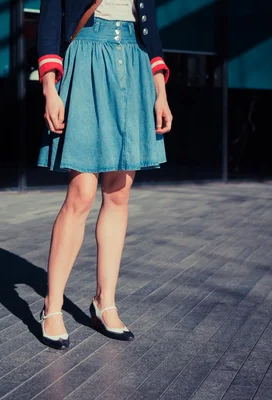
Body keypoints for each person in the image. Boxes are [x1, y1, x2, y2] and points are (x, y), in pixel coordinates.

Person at [36, 0, 173, 349]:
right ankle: (52, 307)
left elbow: (150, 30)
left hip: (134, 62)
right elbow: (51, 20)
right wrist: (50, 89)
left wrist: (161, 92)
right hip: (87, 57)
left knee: (119, 192)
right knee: (81, 192)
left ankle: (104, 302)